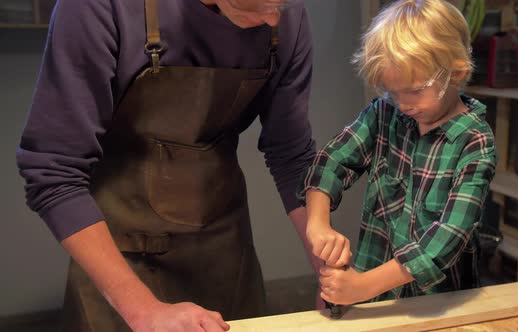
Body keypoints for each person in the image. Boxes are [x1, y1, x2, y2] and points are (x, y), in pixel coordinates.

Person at [16, 0, 321, 330]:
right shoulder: (101, 7)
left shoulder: (283, 14)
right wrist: (143, 310)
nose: (273, 18)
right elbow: (53, 172)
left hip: (226, 255)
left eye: (280, 4)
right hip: (120, 261)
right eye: (258, 6)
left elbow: (291, 154)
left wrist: (328, 270)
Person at [298, 0, 497, 306]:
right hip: (372, 287)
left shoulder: (475, 142)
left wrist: (363, 286)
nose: (403, 104)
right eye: (393, 91)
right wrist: (318, 224)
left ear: (456, 73)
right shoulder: (383, 114)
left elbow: (449, 235)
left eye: (415, 90)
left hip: (438, 302)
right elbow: (331, 161)